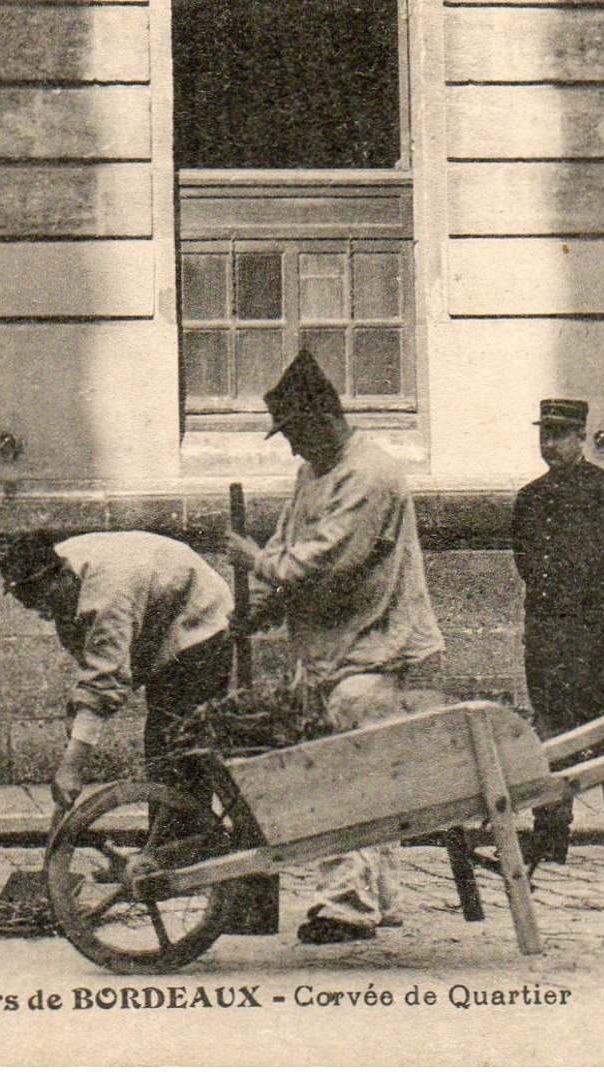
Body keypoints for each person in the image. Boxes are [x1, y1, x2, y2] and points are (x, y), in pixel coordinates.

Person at [226, 349, 445, 945]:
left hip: (374, 648)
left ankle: (348, 905)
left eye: (295, 432)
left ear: (323, 418)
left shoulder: (368, 474)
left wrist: (255, 560)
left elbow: (324, 560)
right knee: (363, 772)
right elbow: (293, 552)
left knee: (345, 775)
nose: (292, 448)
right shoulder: (313, 473)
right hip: (332, 650)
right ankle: (379, 898)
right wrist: (259, 615)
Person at [512, 398, 604, 871]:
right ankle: (551, 836)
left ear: (581, 437)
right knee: (551, 733)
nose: (550, 445)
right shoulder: (531, 499)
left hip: (600, 636)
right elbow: (528, 564)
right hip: (549, 636)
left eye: (559, 436)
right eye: (544, 437)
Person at [0, 530, 233, 815]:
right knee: (163, 744)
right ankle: (171, 843)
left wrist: (72, 767)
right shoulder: (60, 572)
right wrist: (78, 726)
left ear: (60, 575)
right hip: (158, 614)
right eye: (36, 609)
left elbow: (105, 681)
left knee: (176, 741)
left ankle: (182, 846)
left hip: (200, 621)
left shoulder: (108, 589)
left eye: (46, 603)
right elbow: (93, 669)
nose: (46, 614)